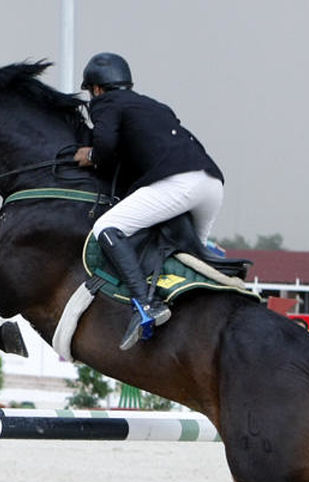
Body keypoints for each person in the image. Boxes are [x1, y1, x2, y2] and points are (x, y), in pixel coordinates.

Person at [73, 52, 225, 350]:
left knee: (107, 226)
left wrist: (89, 155)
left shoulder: (106, 103)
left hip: (179, 182)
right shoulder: (154, 105)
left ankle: (146, 304)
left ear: (98, 89)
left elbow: (104, 151)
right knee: (191, 259)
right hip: (212, 185)